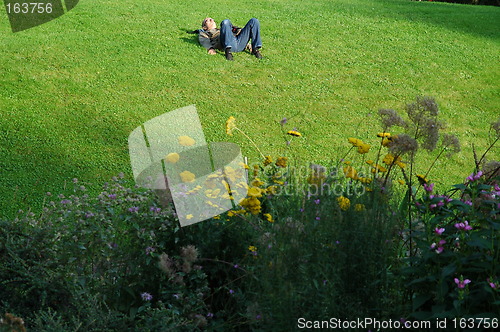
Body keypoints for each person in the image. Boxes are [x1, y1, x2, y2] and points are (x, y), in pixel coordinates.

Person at [197, 17, 263, 60]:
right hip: (226, 44)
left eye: (211, 19)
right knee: (226, 22)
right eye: (207, 21)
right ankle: (228, 52)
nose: (210, 20)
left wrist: (249, 46)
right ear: (204, 27)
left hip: (239, 43)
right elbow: (204, 40)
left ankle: (255, 50)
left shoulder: (223, 28)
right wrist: (210, 48)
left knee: (254, 21)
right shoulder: (205, 32)